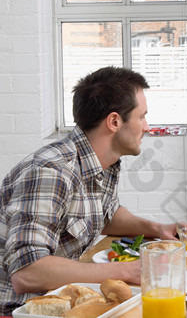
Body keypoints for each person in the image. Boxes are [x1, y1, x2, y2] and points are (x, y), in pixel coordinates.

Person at [0, 66, 177, 314]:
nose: (146, 127)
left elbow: (108, 214)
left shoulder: (102, 162)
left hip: (63, 302)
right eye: (142, 116)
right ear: (114, 121)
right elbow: (28, 272)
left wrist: (157, 229)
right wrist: (125, 270)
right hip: (20, 310)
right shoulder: (51, 172)